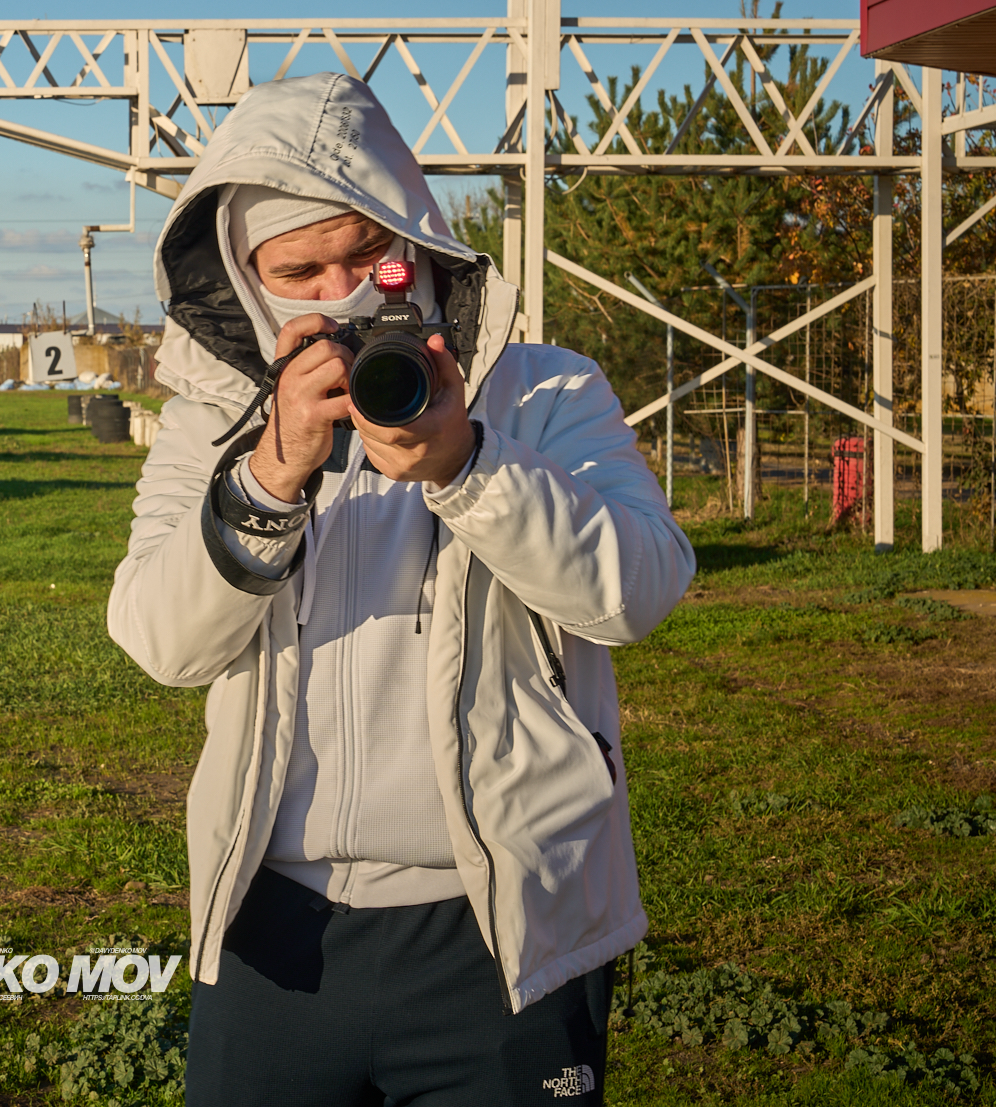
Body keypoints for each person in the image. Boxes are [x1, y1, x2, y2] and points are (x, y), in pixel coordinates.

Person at [106, 73, 694, 1105]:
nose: (338, 291)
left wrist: (468, 465)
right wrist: (269, 473)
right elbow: (162, 644)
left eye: (365, 255)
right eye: (298, 269)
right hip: (273, 926)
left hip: (503, 931)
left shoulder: (543, 390)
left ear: (415, 245)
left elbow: (635, 592)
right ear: (248, 283)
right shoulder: (211, 427)